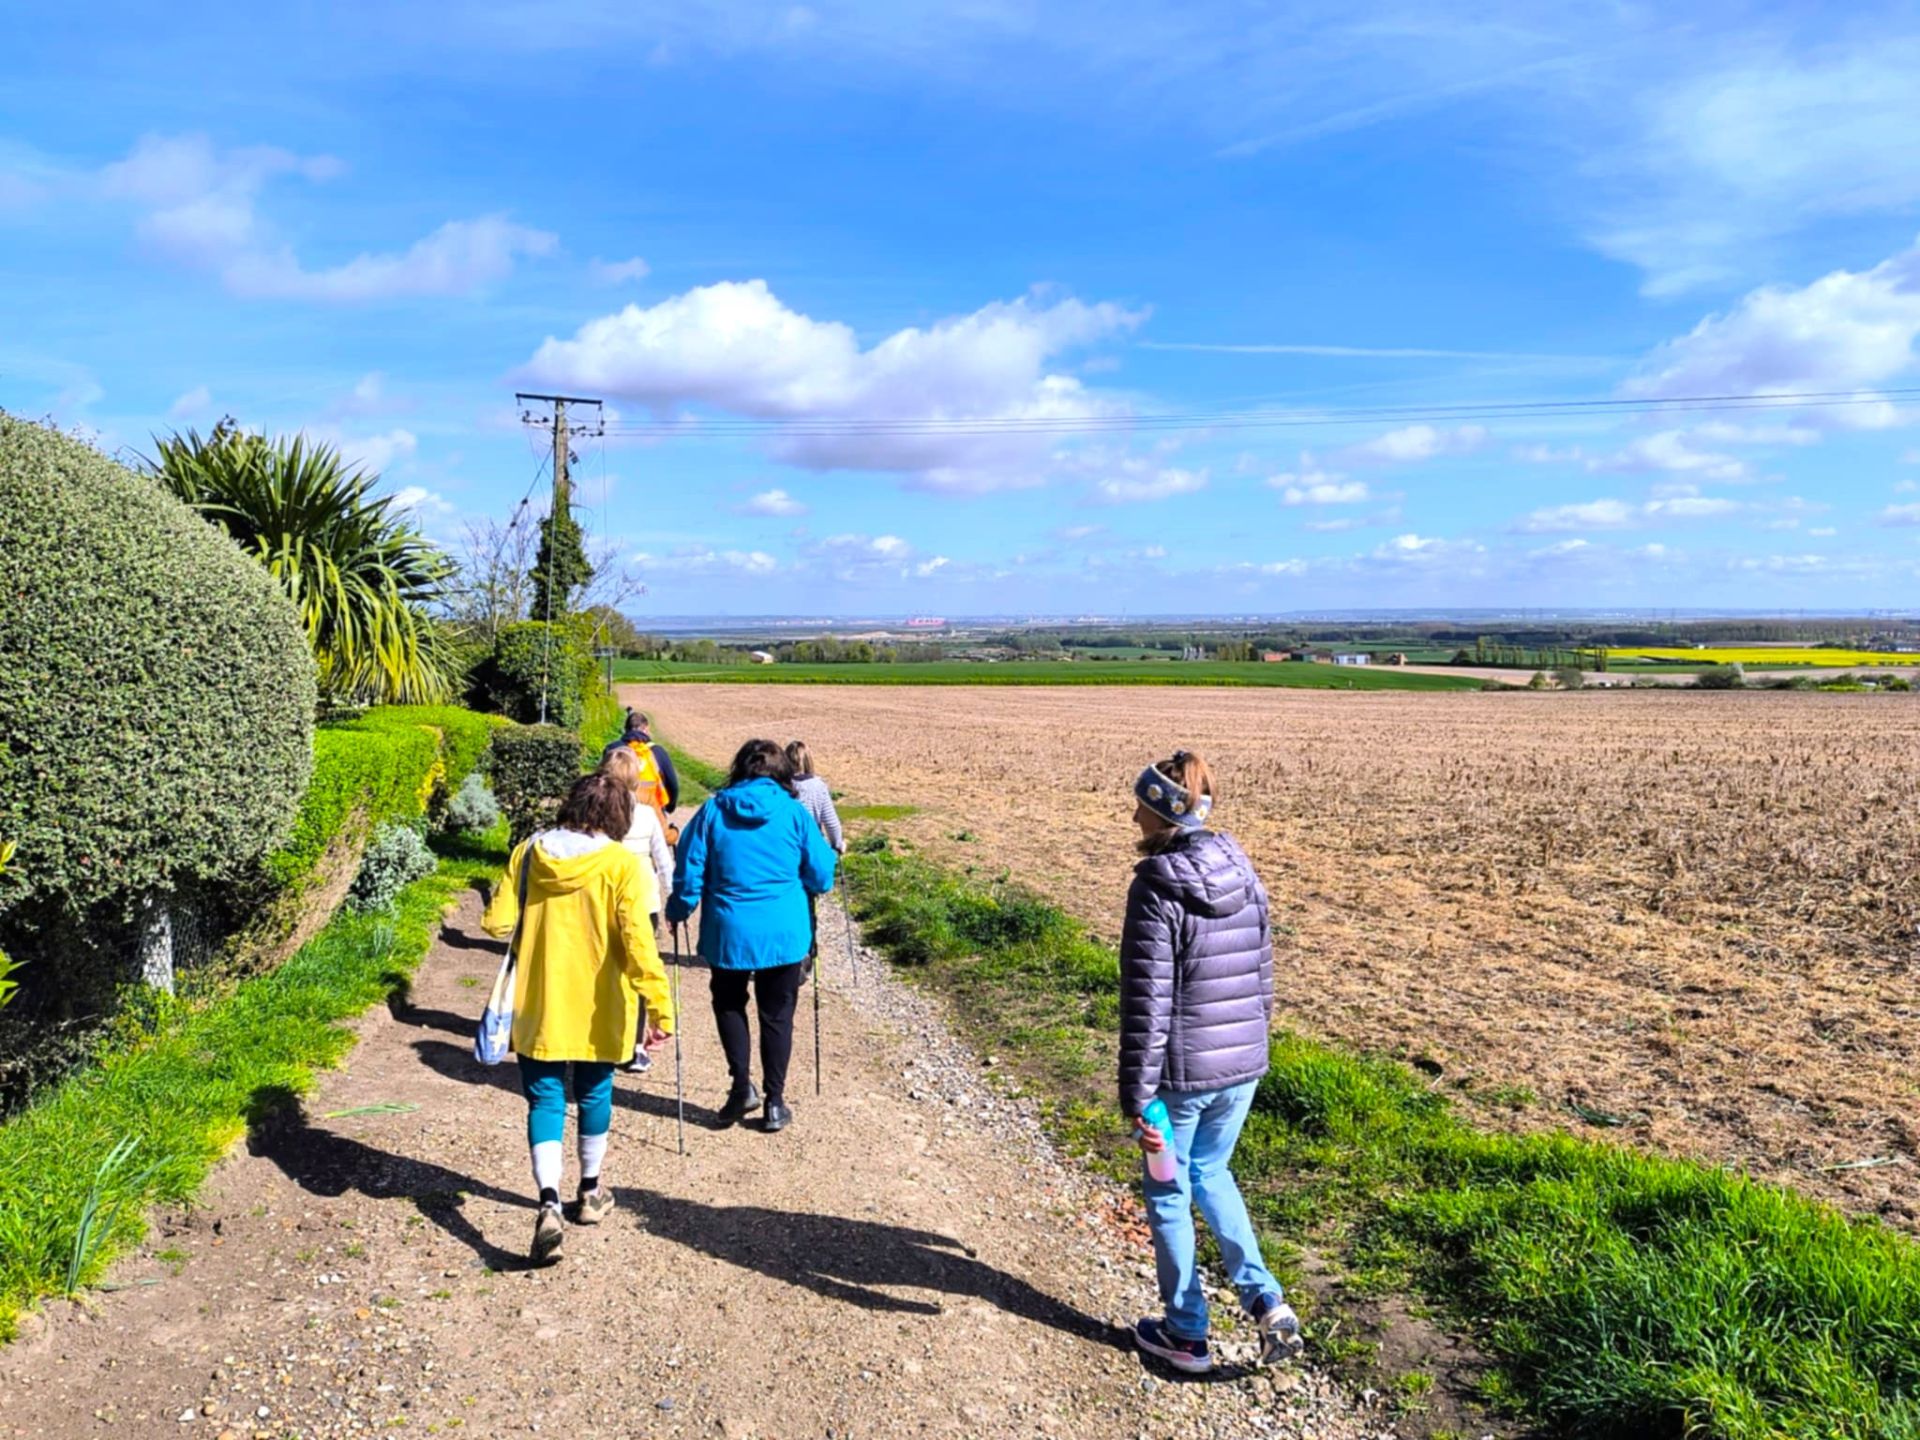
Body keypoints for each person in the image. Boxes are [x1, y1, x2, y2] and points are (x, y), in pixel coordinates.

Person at [1118, 749, 1302, 1374]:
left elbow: (1147, 1002)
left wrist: (1138, 1099)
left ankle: (1187, 1332)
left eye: (1139, 802)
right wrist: (1254, 1047)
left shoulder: (1155, 888)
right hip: (1242, 1066)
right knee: (1214, 1174)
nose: (1132, 813)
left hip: (1180, 1079)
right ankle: (1267, 1302)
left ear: (1160, 810)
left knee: (1169, 1192)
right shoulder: (1244, 872)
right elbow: (1263, 975)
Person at [482, 771, 675, 1266]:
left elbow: (497, 922)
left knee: (543, 1098)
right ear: (618, 817)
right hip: (601, 1002)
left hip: (540, 997)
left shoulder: (529, 853)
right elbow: (638, 943)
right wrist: (659, 1005)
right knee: (595, 1092)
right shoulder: (620, 865)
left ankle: (548, 1201)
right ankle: (589, 1193)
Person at [665, 739, 836, 1134]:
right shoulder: (794, 814)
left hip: (729, 932)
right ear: (782, 774)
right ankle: (775, 1103)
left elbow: (689, 872)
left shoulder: (711, 812)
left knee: (729, 1004)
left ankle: (741, 1087)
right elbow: (822, 875)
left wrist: (679, 909)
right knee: (777, 1016)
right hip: (784, 932)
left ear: (738, 770)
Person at [599, 744, 675, 1074]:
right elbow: (663, 860)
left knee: (604, 967)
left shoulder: (596, 814)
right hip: (644, 900)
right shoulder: (645, 813)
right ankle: (634, 1046)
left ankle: (601, 1037)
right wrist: (674, 897)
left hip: (603, 899)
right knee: (640, 968)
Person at [785, 739, 845, 975]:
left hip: (787, 853)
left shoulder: (782, 786)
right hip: (810, 854)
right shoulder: (818, 786)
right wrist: (838, 843)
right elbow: (831, 821)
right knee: (808, 903)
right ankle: (807, 952)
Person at [601, 707, 681, 839]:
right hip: (652, 809)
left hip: (617, 809)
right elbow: (673, 784)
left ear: (626, 730)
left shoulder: (613, 749)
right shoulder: (658, 751)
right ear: (646, 729)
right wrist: (669, 806)